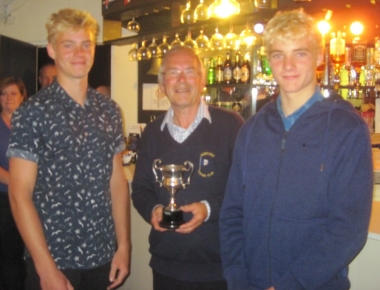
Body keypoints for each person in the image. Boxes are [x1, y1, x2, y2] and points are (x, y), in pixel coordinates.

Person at [219, 9, 373, 290]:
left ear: (319, 57)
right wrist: (237, 278)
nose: (288, 65)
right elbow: (232, 213)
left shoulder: (346, 129)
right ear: (268, 60)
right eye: (278, 54)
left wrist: (290, 285)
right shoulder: (251, 130)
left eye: (299, 53)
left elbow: (348, 230)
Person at [7, 8, 130, 290]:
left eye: (86, 44)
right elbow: (19, 194)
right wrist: (45, 268)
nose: (79, 53)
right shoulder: (32, 112)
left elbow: (117, 182)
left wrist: (123, 246)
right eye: (69, 45)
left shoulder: (109, 110)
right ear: (51, 49)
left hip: (102, 257)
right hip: (53, 258)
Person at [132, 46, 244, 290]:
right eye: (173, 72)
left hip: (219, 267)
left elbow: (246, 189)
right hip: (166, 267)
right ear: (162, 84)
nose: (181, 80)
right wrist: (153, 209)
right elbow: (140, 188)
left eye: (189, 72)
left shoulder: (231, 125)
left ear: (202, 80)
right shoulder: (152, 133)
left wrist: (208, 209)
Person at [0, 77, 27, 290]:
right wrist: (17, 183)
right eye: (3, 93)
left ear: (22, 97)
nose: (8, 98)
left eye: (13, 93)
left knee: (26, 251)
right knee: (8, 253)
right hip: (3, 199)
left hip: (28, 199)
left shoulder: (29, 124)